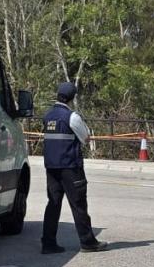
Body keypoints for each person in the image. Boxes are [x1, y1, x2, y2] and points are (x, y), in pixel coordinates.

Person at [40, 82, 108, 254]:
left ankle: (48, 243)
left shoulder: (48, 116)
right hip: (70, 167)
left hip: (51, 167)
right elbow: (85, 137)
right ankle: (88, 242)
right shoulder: (72, 117)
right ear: (72, 98)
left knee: (53, 204)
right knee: (78, 205)